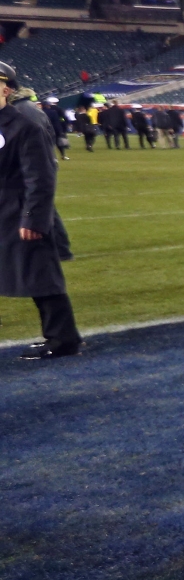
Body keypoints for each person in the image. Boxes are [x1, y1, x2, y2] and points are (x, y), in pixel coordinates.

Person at [0, 64, 78, 360]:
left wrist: (33, 218)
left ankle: (62, 338)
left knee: (40, 275)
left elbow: (41, 177)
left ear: (7, 90)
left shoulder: (24, 126)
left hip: (18, 211)